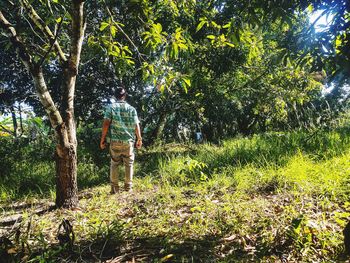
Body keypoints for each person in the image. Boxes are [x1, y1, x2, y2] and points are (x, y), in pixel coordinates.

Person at [100, 87, 142, 193]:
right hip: (128, 142)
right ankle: (128, 188)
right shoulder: (132, 109)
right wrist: (139, 138)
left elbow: (106, 124)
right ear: (125, 96)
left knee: (114, 163)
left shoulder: (111, 108)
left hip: (115, 141)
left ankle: (114, 189)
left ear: (115, 96)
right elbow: (136, 125)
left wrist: (103, 139)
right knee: (129, 163)